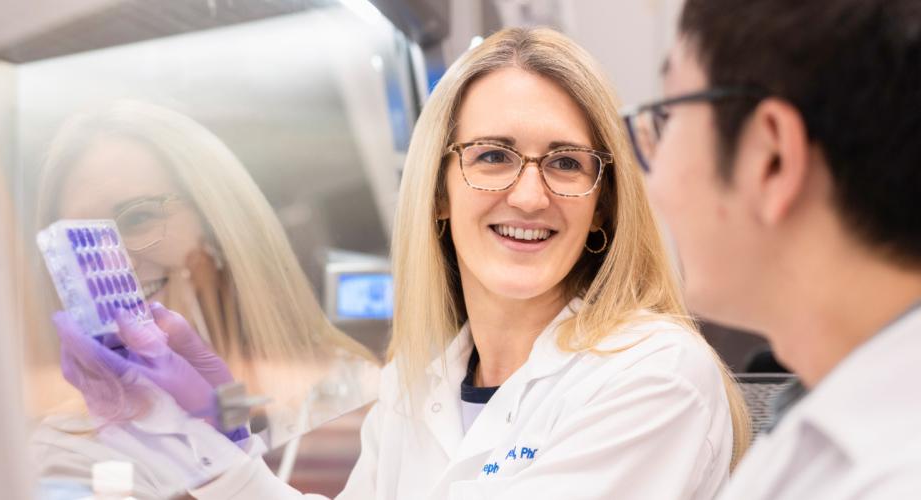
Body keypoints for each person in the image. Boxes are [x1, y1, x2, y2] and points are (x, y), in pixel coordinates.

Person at [73, 27, 752, 499]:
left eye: (567, 163)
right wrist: (204, 434)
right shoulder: (414, 385)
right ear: (438, 194)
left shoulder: (654, 375)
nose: (529, 192)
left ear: (601, 205)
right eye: (493, 155)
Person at [628, 0, 921, 498]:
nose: (655, 185)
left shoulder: (894, 472)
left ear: (772, 158)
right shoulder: (816, 419)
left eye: (668, 117)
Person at [28, 100, 380, 495]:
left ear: (219, 222)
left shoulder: (350, 385)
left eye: (138, 218)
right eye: (85, 240)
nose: (117, 261)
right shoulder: (70, 453)